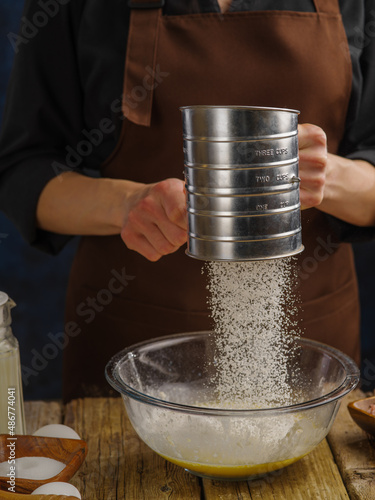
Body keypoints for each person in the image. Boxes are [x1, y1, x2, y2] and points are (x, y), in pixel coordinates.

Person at [1, 0, 375, 401]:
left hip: (308, 344)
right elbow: (23, 170)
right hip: (130, 342)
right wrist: (124, 204)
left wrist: (330, 177)